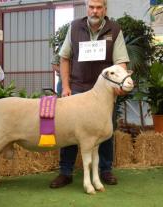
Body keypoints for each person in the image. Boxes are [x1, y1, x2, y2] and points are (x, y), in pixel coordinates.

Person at [50, 0, 129, 188]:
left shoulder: (114, 29)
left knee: (105, 130)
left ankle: (105, 170)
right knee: (69, 128)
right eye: (91, 7)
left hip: (104, 91)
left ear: (105, 9)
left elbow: (121, 62)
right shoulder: (75, 27)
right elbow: (65, 58)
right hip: (77, 87)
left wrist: (120, 81)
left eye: (99, 7)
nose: (95, 11)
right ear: (86, 8)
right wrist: (65, 87)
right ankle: (66, 172)